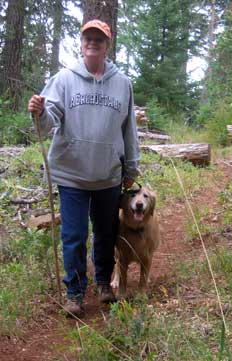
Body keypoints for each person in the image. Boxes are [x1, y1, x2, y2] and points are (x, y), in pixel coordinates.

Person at [28, 19, 140, 317]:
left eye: (99, 39)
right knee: (74, 235)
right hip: (72, 174)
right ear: (81, 43)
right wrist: (39, 112)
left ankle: (104, 284)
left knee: (106, 232)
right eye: (88, 37)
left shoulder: (123, 84)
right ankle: (75, 293)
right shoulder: (64, 79)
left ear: (107, 44)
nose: (93, 42)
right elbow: (49, 118)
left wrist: (131, 167)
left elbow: (129, 130)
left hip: (108, 175)